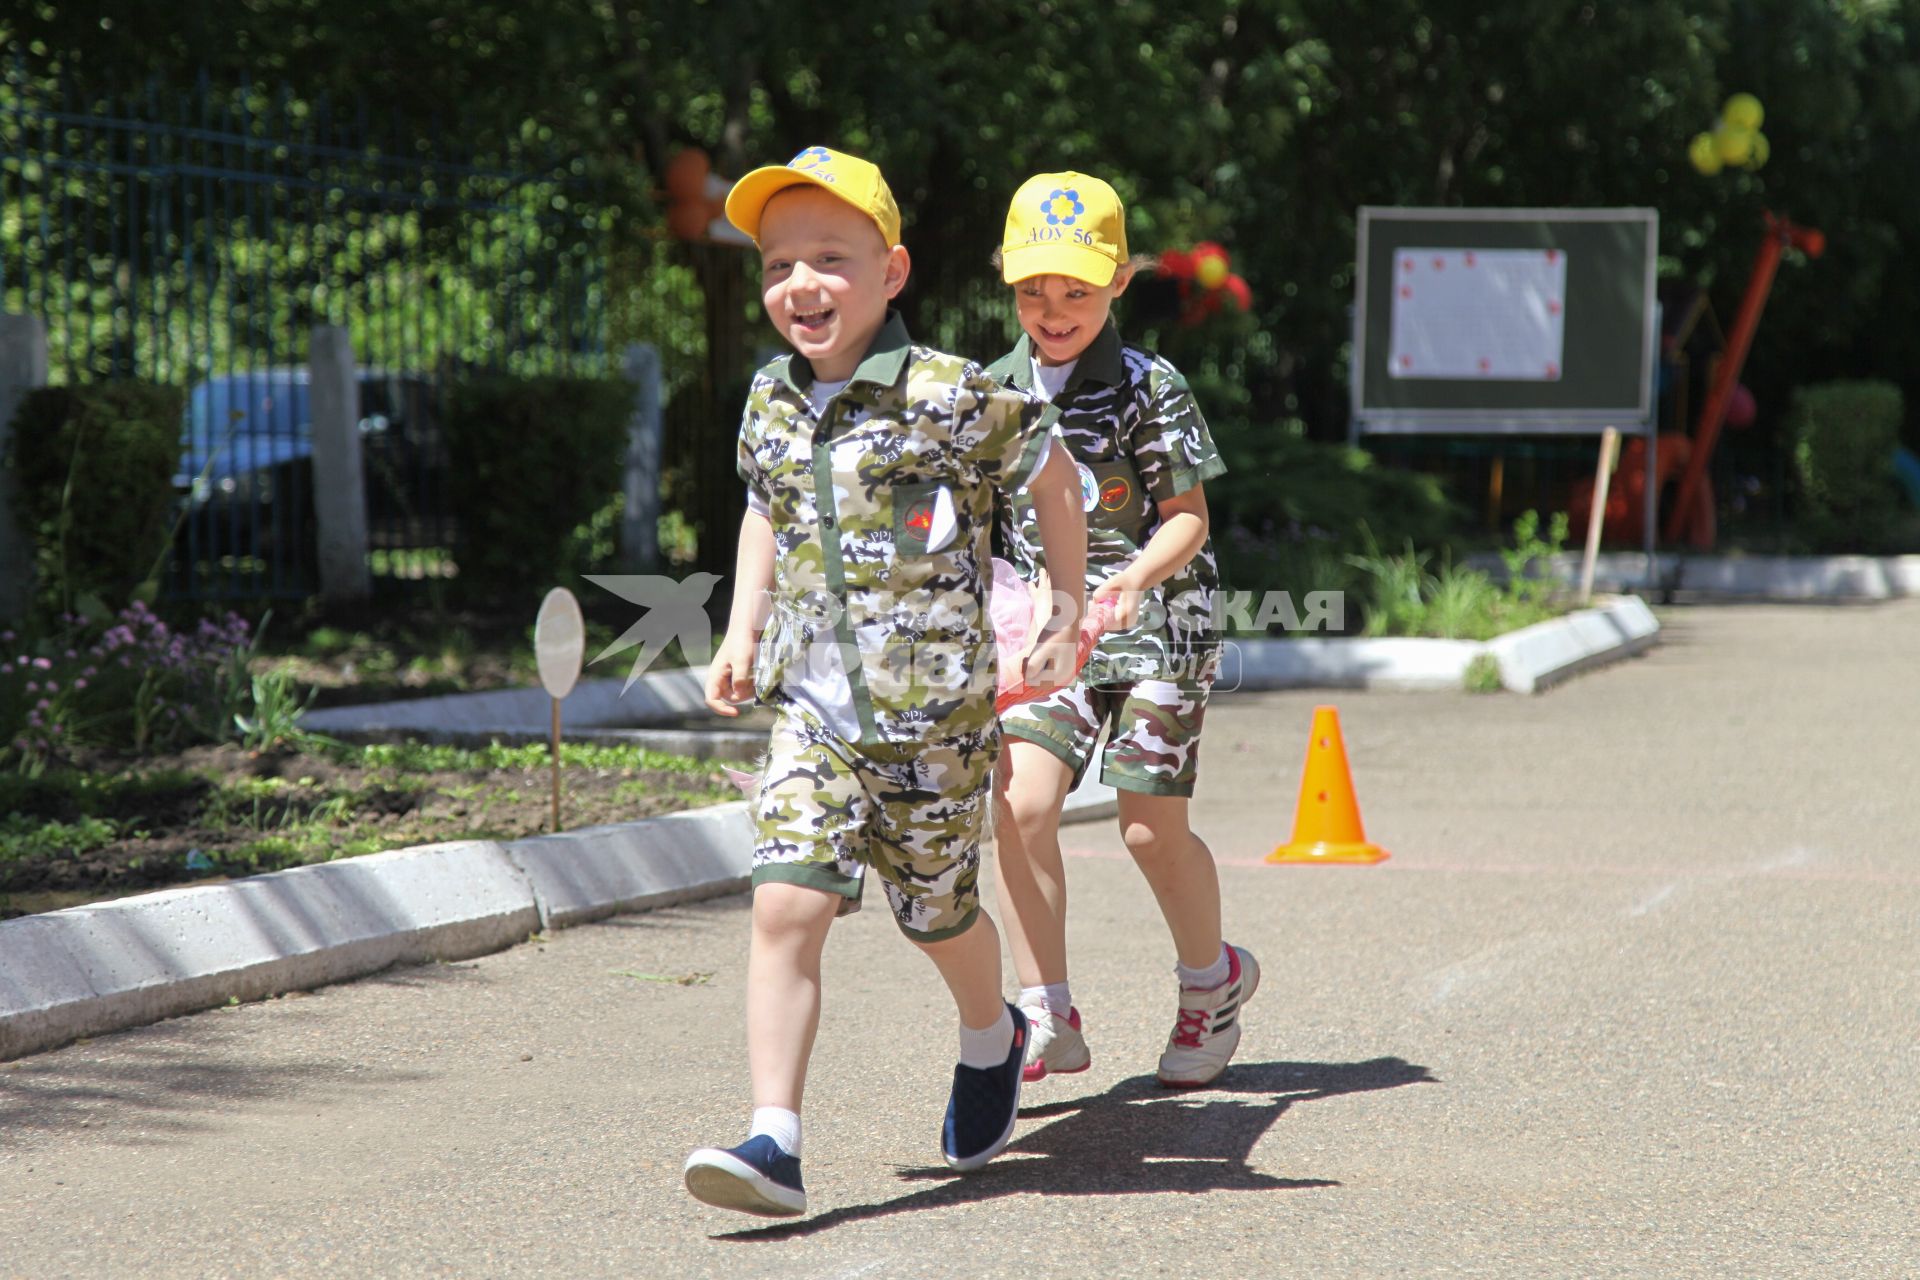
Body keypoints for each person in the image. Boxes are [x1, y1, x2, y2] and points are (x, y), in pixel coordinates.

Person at [681, 146, 1088, 1218]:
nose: (798, 284)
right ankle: (774, 1138)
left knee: (937, 913)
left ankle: (992, 1034)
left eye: (830, 257)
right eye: (776, 264)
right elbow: (768, 507)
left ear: (892, 270)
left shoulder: (950, 393)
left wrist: (1066, 606)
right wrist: (740, 626)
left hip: (935, 724)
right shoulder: (769, 400)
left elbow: (1052, 476)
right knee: (784, 901)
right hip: (814, 712)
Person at [987, 171, 1257, 1090]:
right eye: (1033, 290)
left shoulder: (1150, 384)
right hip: (1051, 630)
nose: (1053, 309)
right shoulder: (987, 392)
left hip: (1160, 620)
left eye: (1075, 290)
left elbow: (1189, 517)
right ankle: (1046, 1013)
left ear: (1118, 284)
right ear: (1008, 283)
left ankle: (1209, 984)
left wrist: (1136, 579)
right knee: (1019, 806)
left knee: (1148, 829)